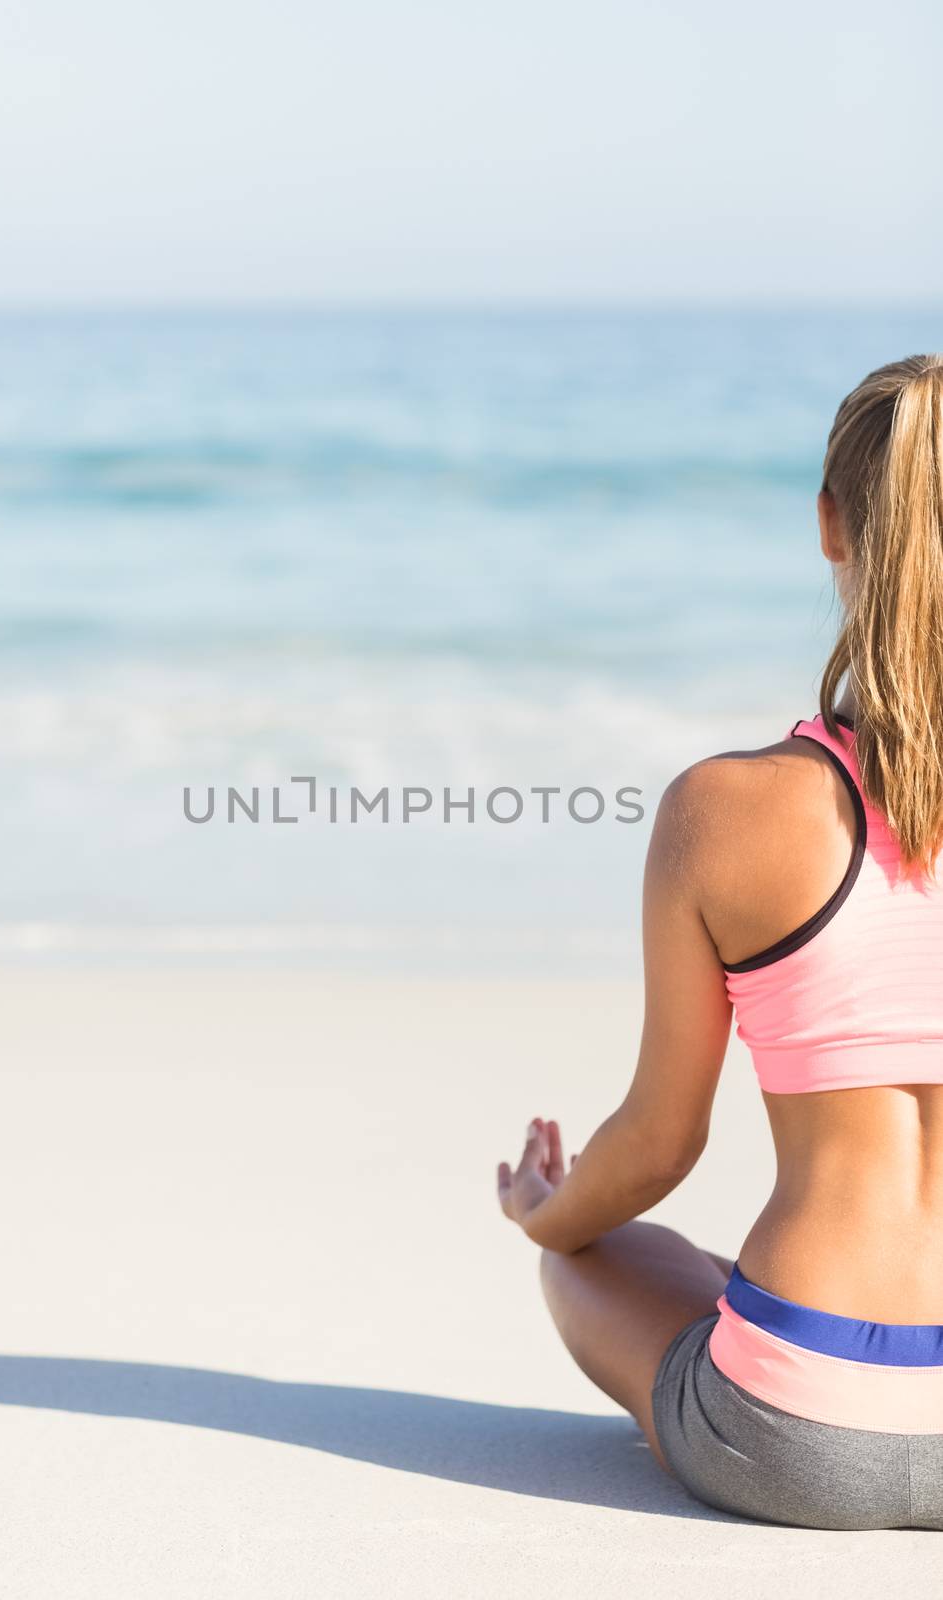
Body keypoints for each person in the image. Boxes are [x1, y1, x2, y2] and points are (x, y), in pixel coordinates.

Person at [496, 355, 943, 1530]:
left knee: (600, 1248)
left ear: (828, 525)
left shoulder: (726, 810)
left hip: (788, 1430)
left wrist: (542, 1211)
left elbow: (653, 1144)